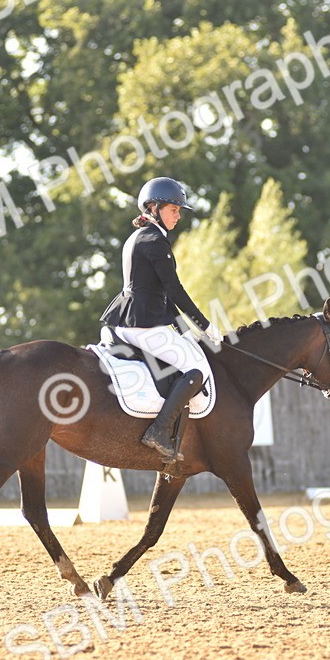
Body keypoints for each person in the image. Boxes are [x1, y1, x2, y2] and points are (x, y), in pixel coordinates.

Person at [100, 177, 224, 461]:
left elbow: (162, 296)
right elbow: (174, 291)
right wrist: (205, 326)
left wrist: (185, 331)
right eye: (174, 210)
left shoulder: (138, 237)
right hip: (144, 325)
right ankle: (159, 430)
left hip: (130, 320)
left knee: (187, 354)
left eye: (179, 211)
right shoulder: (155, 241)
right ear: (154, 208)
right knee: (197, 370)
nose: (178, 216)